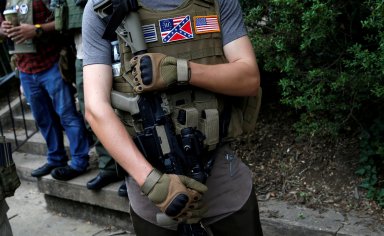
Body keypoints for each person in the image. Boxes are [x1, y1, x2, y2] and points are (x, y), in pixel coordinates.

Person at [82, 0, 263, 235]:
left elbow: (249, 79)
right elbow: (96, 108)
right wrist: (153, 183)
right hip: (153, 193)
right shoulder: (102, 8)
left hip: (223, 186)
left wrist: (182, 71)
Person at [0, 0, 90, 181]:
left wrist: (37, 29)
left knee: (67, 115)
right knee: (43, 119)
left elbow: (64, 21)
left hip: (52, 63)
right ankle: (55, 158)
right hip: (25, 69)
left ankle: (80, 161)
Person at [64, 0, 127, 195]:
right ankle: (110, 167)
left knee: (128, 110)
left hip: (123, 36)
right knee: (92, 112)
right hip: (84, 46)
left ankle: (130, 171)